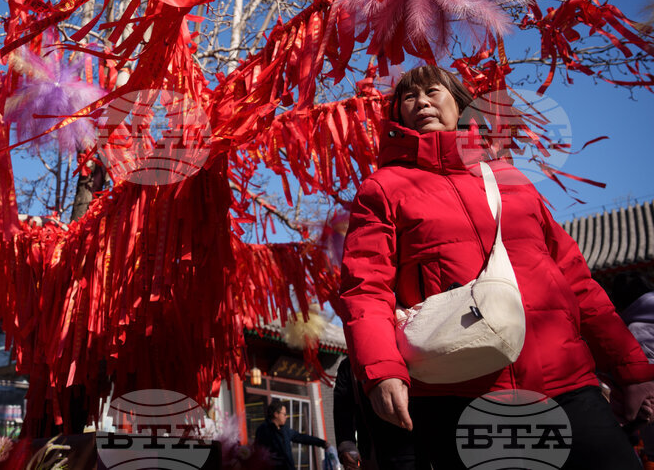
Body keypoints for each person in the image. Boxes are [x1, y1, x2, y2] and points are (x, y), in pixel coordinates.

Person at [338, 64, 654, 470]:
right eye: (408, 98)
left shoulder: (511, 180)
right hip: (462, 391)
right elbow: (365, 288)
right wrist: (381, 371)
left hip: (566, 379)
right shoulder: (383, 189)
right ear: (398, 116)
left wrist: (630, 368)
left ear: (460, 103)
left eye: (433, 91)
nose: (421, 103)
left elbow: (577, 281)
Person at [333, 357, 427, 470]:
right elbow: (343, 410)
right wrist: (347, 446)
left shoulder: (409, 352)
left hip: (419, 445)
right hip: (376, 453)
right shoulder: (350, 366)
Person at [253, 399, 327, 470]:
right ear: (276, 414)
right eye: (284, 414)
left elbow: (301, 437)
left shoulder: (285, 430)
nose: (286, 417)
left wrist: (322, 443)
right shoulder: (264, 430)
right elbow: (259, 452)